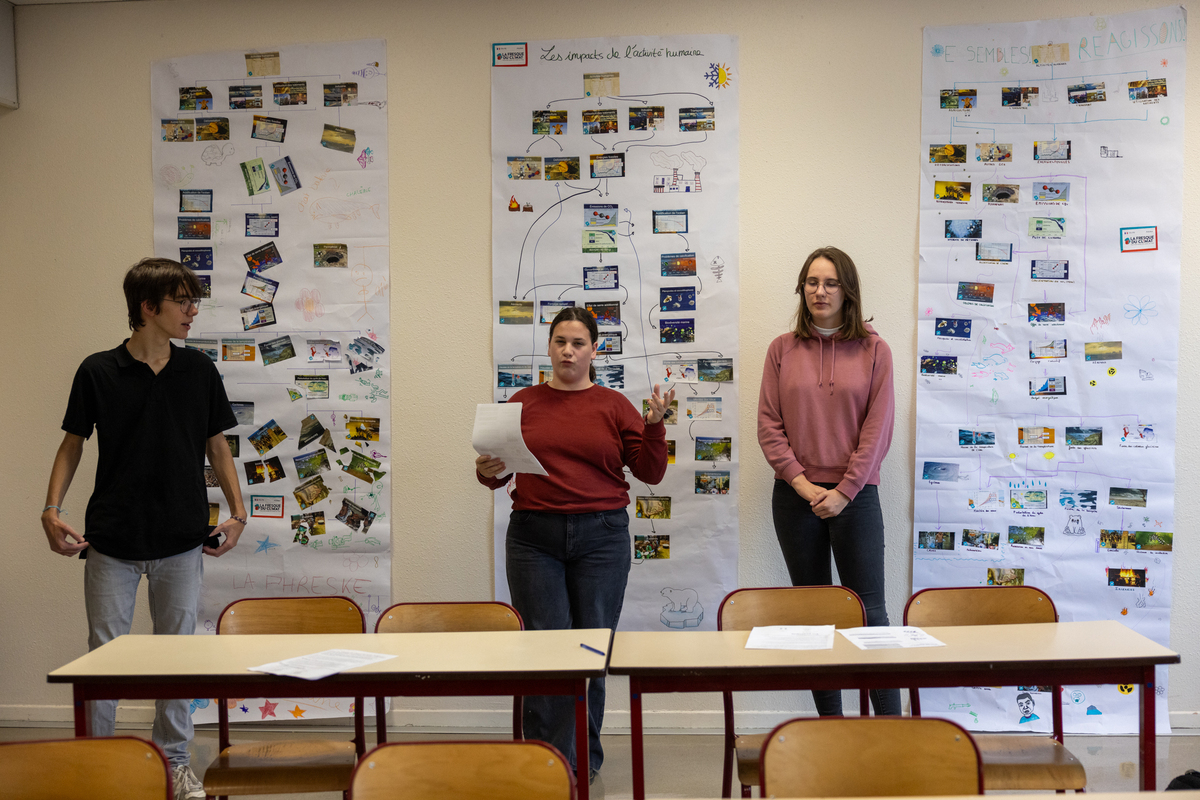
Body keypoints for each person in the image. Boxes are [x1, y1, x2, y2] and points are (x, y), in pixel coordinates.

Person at [40, 257, 247, 800]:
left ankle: (174, 764)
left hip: (182, 539)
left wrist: (239, 512)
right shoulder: (98, 370)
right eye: (182, 301)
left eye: (194, 300)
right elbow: (72, 443)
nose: (192, 310)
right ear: (147, 308)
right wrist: (50, 508)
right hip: (111, 539)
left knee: (177, 656)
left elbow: (217, 445)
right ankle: (99, 765)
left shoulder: (198, 369)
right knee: (103, 656)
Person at [475, 306, 673, 781]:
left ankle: (582, 762)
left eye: (578, 342)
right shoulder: (521, 402)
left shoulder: (614, 405)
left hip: (601, 538)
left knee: (590, 649)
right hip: (533, 538)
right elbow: (495, 475)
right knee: (545, 650)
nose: (568, 350)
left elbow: (650, 472)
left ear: (594, 349)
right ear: (549, 347)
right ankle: (547, 761)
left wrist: (654, 425)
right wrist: (487, 471)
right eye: (560, 341)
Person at [756, 246, 901, 716]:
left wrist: (844, 491)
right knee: (814, 618)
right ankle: (832, 728)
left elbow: (878, 430)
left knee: (870, 616)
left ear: (848, 290)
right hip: (795, 498)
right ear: (801, 289)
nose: (820, 291)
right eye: (812, 282)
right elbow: (768, 426)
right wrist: (802, 485)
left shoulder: (875, 350)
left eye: (831, 283)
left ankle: (892, 732)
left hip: (855, 498)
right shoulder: (781, 349)